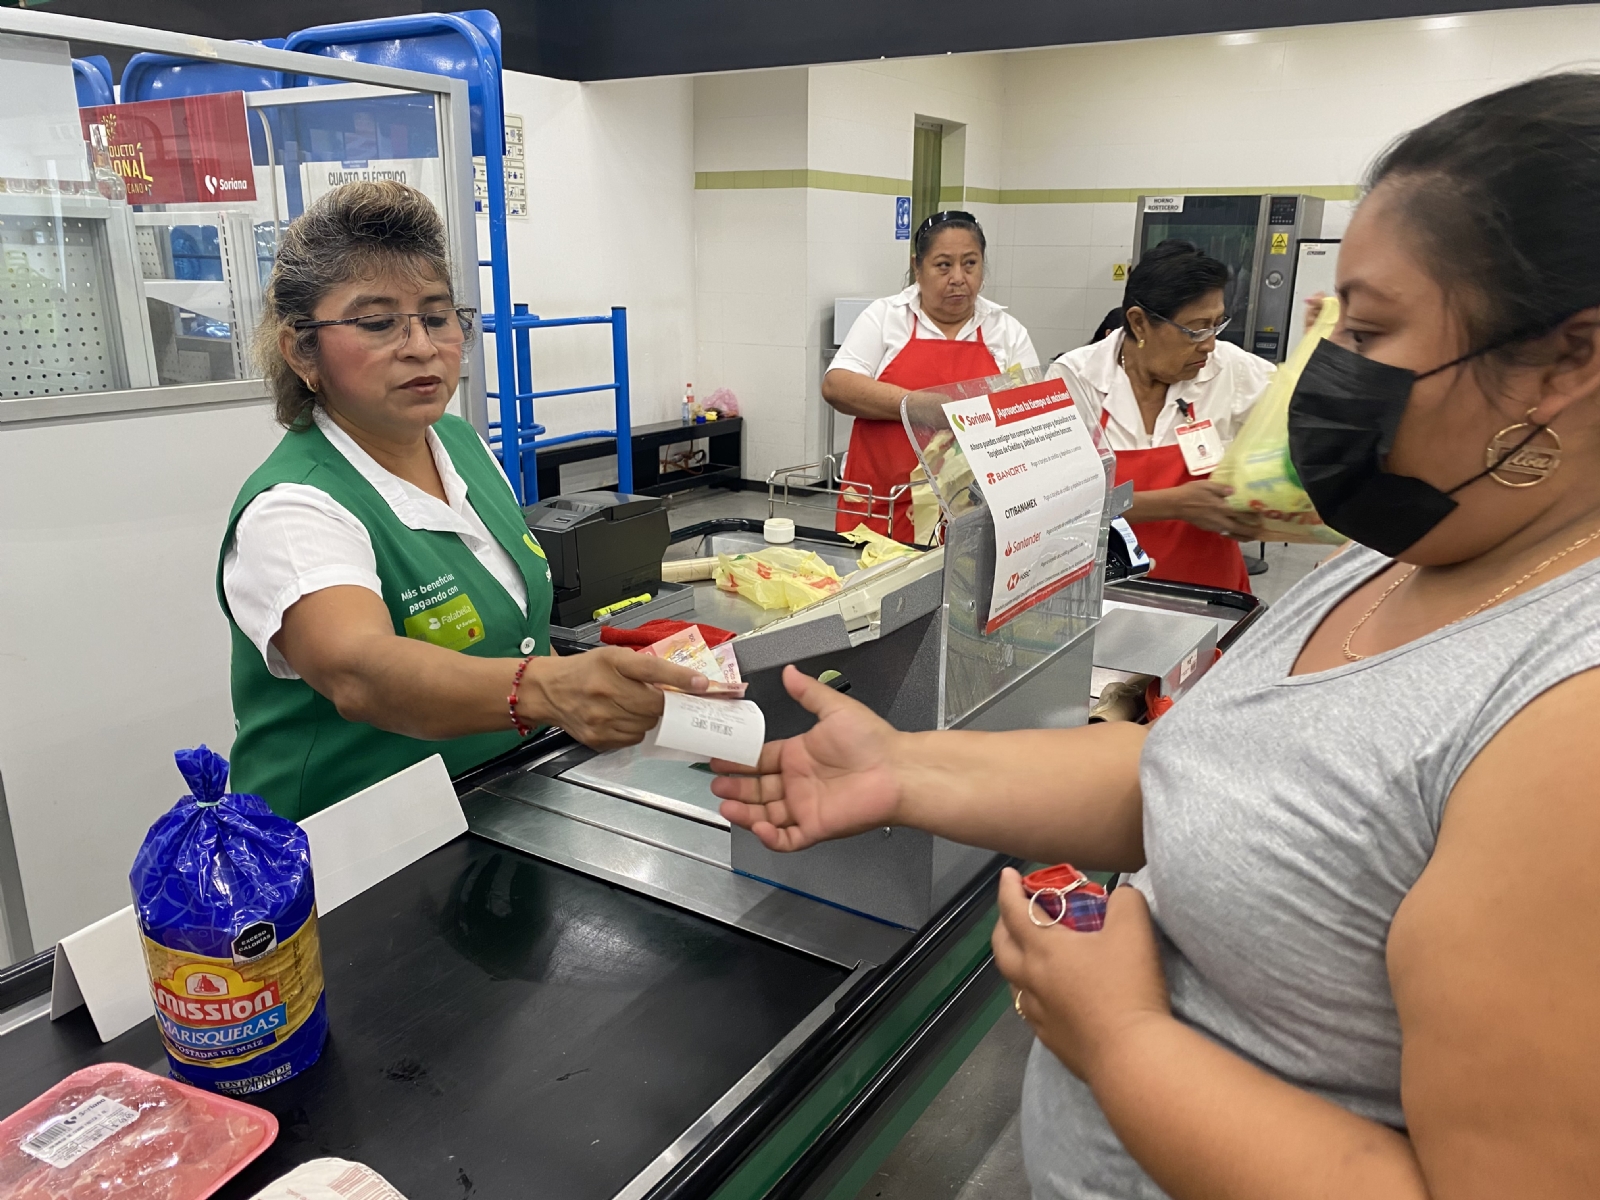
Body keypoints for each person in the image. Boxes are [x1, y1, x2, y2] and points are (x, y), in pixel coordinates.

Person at [715, 74, 1600, 1199]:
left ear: (1567, 358)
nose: (1324, 370)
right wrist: (906, 764)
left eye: (1368, 330)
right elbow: (1207, 773)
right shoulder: (1417, 547)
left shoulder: (1571, 710)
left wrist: (1121, 1037)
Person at [222, 182, 706, 820]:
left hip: (491, 805)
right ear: (302, 351)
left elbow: (523, 642)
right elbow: (359, 671)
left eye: (437, 315)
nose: (421, 345)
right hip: (346, 856)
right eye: (377, 322)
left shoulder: (458, 442)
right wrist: (551, 691)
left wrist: (601, 700)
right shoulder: (293, 508)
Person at [1049, 241, 1271, 591]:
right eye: (1197, 329)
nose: (1209, 344)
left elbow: (1306, 435)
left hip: (1210, 597)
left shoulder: (1233, 369)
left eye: (1217, 324)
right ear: (1138, 323)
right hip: (1101, 596)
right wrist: (1177, 504)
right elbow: (1058, 503)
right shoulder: (1075, 379)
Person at [825, 211, 1037, 544]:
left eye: (970, 264)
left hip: (972, 514)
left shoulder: (1006, 332)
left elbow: (1029, 414)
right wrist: (916, 406)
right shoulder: (885, 318)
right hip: (884, 505)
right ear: (917, 267)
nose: (958, 278)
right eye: (943, 265)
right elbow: (837, 385)